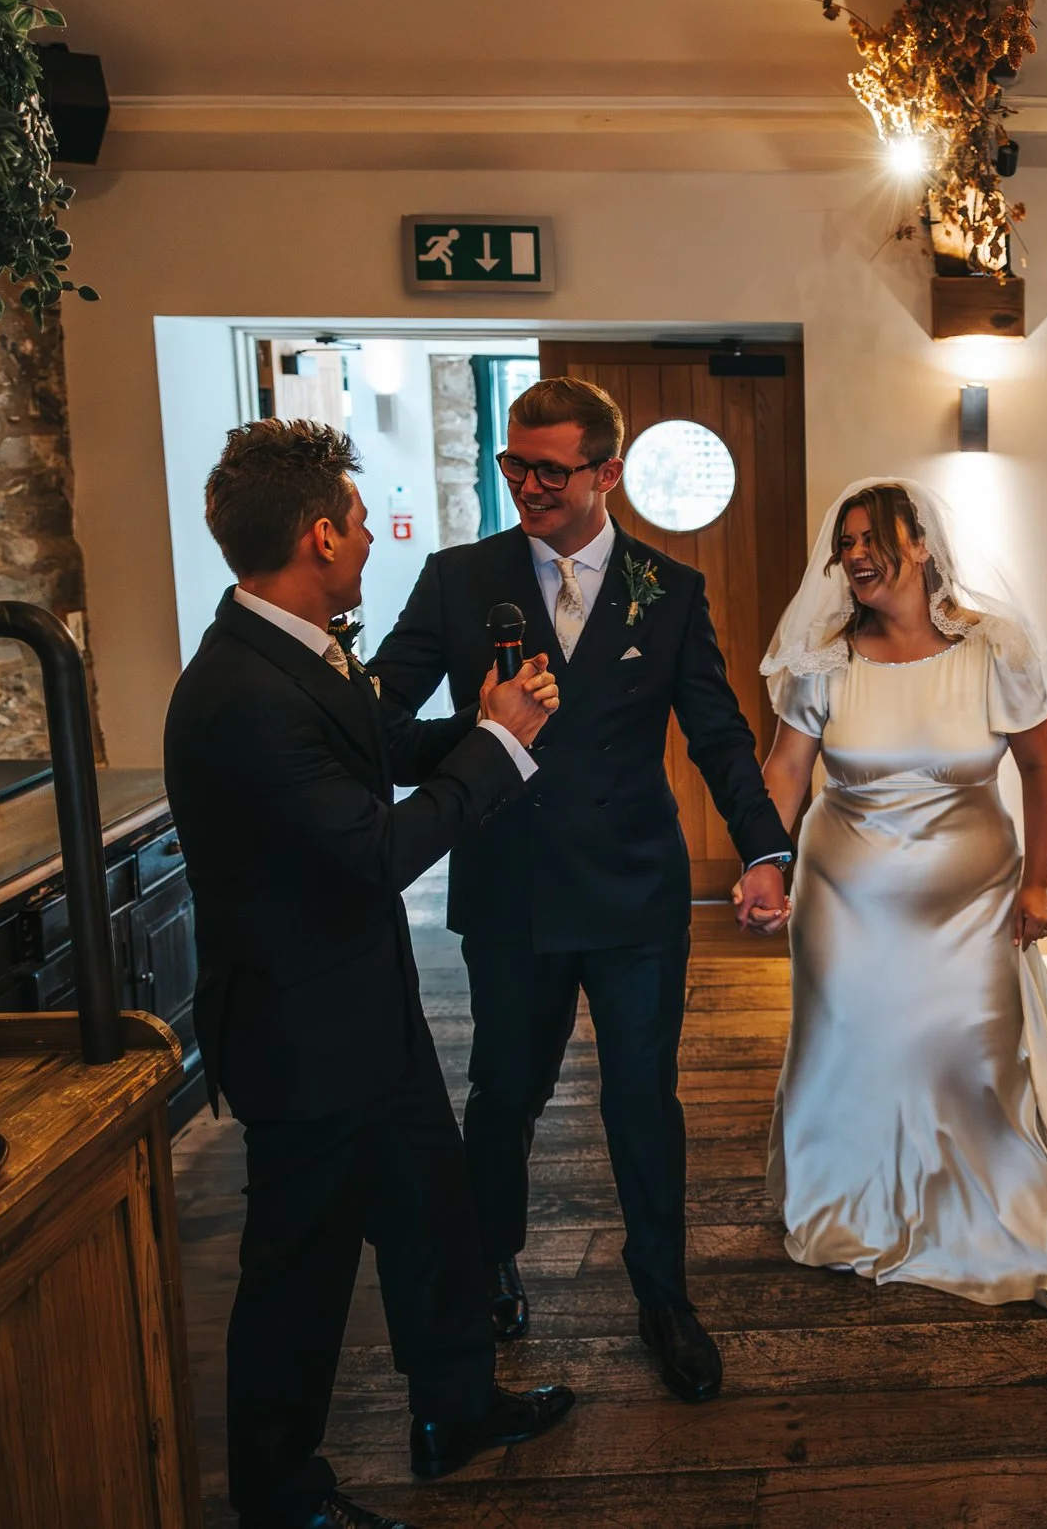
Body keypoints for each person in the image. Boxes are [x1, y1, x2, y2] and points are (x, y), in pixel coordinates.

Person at [165, 421, 573, 1529]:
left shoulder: (301, 644)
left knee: (429, 1211)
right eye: (354, 520)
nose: (366, 539)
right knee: (297, 1277)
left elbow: (389, 748)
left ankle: (453, 1409)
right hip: (302, 1032)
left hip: (365, 1006)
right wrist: (497, 750)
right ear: (319, 535)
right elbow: (377, 854)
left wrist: (495, 721)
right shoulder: (242, 694)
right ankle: (282, 1496)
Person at [371, 376, 792, 1402]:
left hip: (636, 892)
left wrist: (763, 849)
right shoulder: (457, 579)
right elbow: (376, 725)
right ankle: (493, 1260)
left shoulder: (669, 587)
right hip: (511, 889)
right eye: (514, 464)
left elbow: (719, 735)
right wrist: (483, 734)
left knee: (644, 1095)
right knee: (505, 1091)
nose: (525, 485)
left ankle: (664, 1294)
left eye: (549, 469)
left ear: (608, 471)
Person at [757, 479, 1047, 1309]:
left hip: (974, 901)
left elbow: (1043, 770)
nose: (853, 555)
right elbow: (784, 770)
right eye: (843, 543)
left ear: (919, 543)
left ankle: (994, 1208)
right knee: (853, 1050)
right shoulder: (825, 655)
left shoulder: (996, 647)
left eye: (869, 537)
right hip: (844, 901)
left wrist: (1039, 883)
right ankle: (847, 1202)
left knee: (974, 1058)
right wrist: (762, 861)